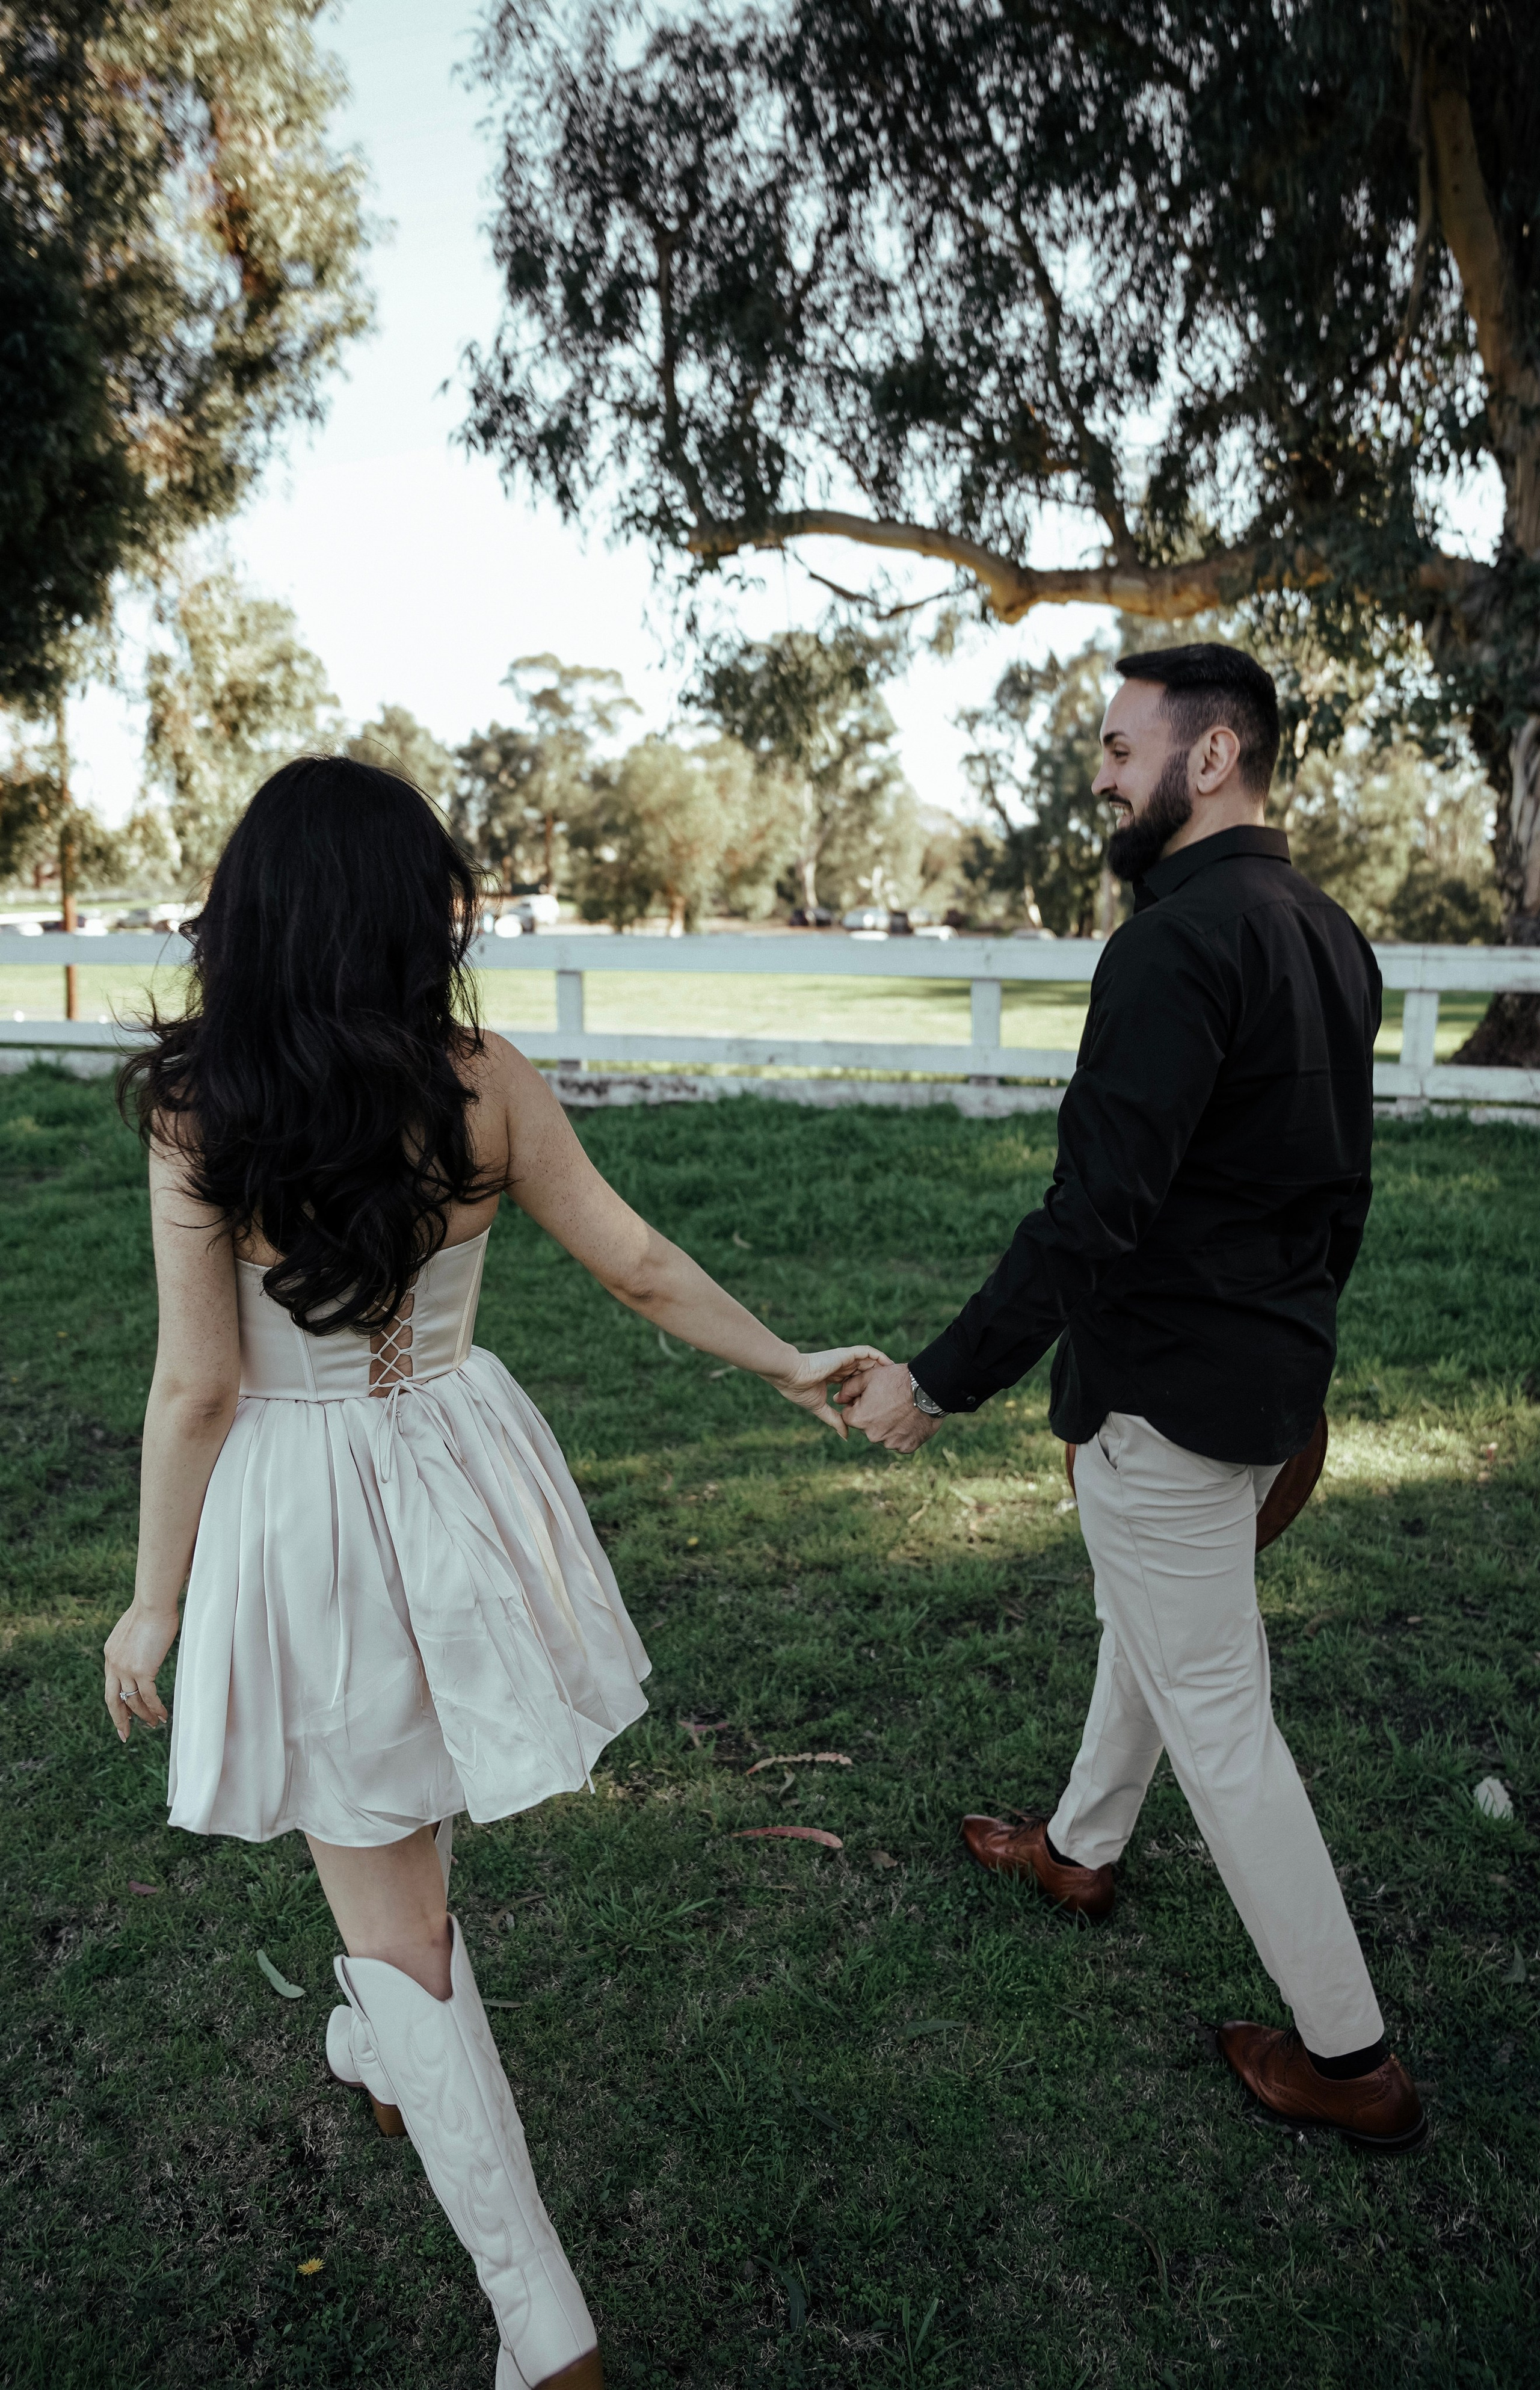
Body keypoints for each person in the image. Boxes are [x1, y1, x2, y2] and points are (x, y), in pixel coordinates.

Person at [103, 757, 884, 2390]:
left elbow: (197, 1388)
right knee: (398, 1846)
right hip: (460, 1464)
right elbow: (642, 1264)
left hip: (313, 1501)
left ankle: (543, 2320)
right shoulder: (484, 1081)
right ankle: (379, 2044)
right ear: (409, 916)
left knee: (396, 1905)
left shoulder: (204, 1109)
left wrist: (153, 1599)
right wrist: (787, 1359)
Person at [838, 642, 1426, 2157]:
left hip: (1168, 1394)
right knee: (1152, 1628)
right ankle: (1080, 1849)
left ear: (1212, 754)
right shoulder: (1329, 933)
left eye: (1117, 745)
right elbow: (1336, 1205)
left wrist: (939, 1381)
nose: (1097, 771)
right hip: (1259, 1381)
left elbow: (1090, 1210)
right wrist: (1300, 1378)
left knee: (1219, 1713)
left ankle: (1348, 2056)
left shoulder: (1174, 945)